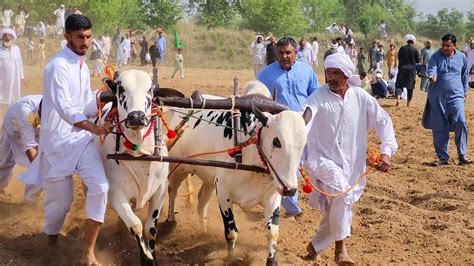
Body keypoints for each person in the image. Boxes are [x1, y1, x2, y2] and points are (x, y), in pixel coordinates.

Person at [21, 14, 111, 264]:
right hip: (57, 145)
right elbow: (65, 108)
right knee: (60, 206)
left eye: (89, 37)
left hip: (81, 141)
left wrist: (106, 98)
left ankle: (89, 251)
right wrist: (95, 128)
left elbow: (83, 103)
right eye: (80, 37)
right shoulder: (57, 66)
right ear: (66, 36)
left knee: (101, 188)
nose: (86, 42)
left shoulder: (82, 65)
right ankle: (50, 242)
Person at [304, 52, 397, 264]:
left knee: (341, 203)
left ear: (346, 74)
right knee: (342, 196)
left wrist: (386, 153)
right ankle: (341, 250)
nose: (331, 78)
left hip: (353, 164)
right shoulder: (316, 98)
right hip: (321, 160)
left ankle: (315, 245)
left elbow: (384, 121)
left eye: (336, 73)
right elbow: (305, 121)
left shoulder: (360, 97)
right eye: (328, 72)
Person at [258, 37, 320, 218]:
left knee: (302, 163)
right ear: (276, 54)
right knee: (287, 163)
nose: (284, 56)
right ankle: (292, 208)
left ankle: (287, 201)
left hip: (303, 124)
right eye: (281, 53)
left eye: (288, 53)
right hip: (280, 127)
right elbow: (258, 99)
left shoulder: (306, 70)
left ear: (296, 54)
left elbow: (315, 94)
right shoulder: (266, 74)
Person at [424, 33, 471, 166]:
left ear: (454, 46)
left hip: (456, 95)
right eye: (443, 45)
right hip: (437, 97)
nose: (445, 48)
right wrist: (432, 76)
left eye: (448, 45)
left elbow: (464, 76)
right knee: (439, 126)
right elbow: (432, 69)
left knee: (461, 121)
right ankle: (443, 157)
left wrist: (465, 92)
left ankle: (462, 155)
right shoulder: (435, 56)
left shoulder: (462, 57)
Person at [0, 95, 43, 202]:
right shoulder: (26, 112)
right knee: (5, 160)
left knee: (45, 159)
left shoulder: (57, 109)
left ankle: (31, 200)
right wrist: (42, 170)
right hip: (13, 126)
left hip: (38, 129)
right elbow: (30, 147)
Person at [0, 28, 25, 124]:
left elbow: (20, 63)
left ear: (12, 37)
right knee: (2, 98)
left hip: (15, 77)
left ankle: (11, 118)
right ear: (2, 37)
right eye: (5, 35)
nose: (7, 37)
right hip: (3, 78)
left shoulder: (16, 49)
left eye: (9, 35)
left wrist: (22, 76)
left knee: (14, 97)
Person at [395, 34, 420, 107]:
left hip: (402, 68)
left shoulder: (402, 48)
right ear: (413, 42)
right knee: (410, 87)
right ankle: (408, 104)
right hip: (411, 70)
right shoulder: (415, 50)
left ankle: (398, 98)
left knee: (399, 85)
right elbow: (417, 61)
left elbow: (399, 57)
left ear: (407, 41)